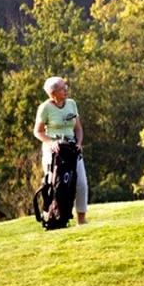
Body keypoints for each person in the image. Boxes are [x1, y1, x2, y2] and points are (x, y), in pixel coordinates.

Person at [33, 77, 88, 225]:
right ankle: (50, 216)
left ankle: (82, 221)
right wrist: (51, 142)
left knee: (81, 184)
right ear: (53, 94)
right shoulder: (45, 108)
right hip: (53, 151)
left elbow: (78, 128)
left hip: (72, 149)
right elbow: (38, 132)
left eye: (65, 87)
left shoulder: (71, 104)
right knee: (53, 184)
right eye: (62, 88)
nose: (66, 90)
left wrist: (79, 142)